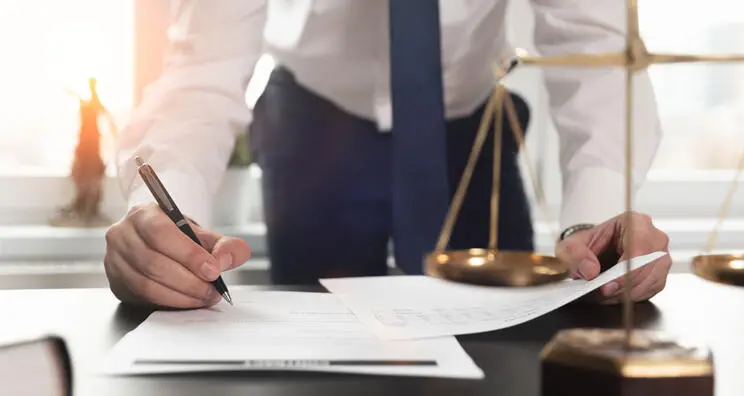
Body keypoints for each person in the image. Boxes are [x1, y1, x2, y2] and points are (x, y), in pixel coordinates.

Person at [104, 1, 671, 309]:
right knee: (323, 359)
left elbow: (593, 46)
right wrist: (159, 211)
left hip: (468, 131)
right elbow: (204, 68)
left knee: (503, 346)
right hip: (316, 129)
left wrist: (596, 218)